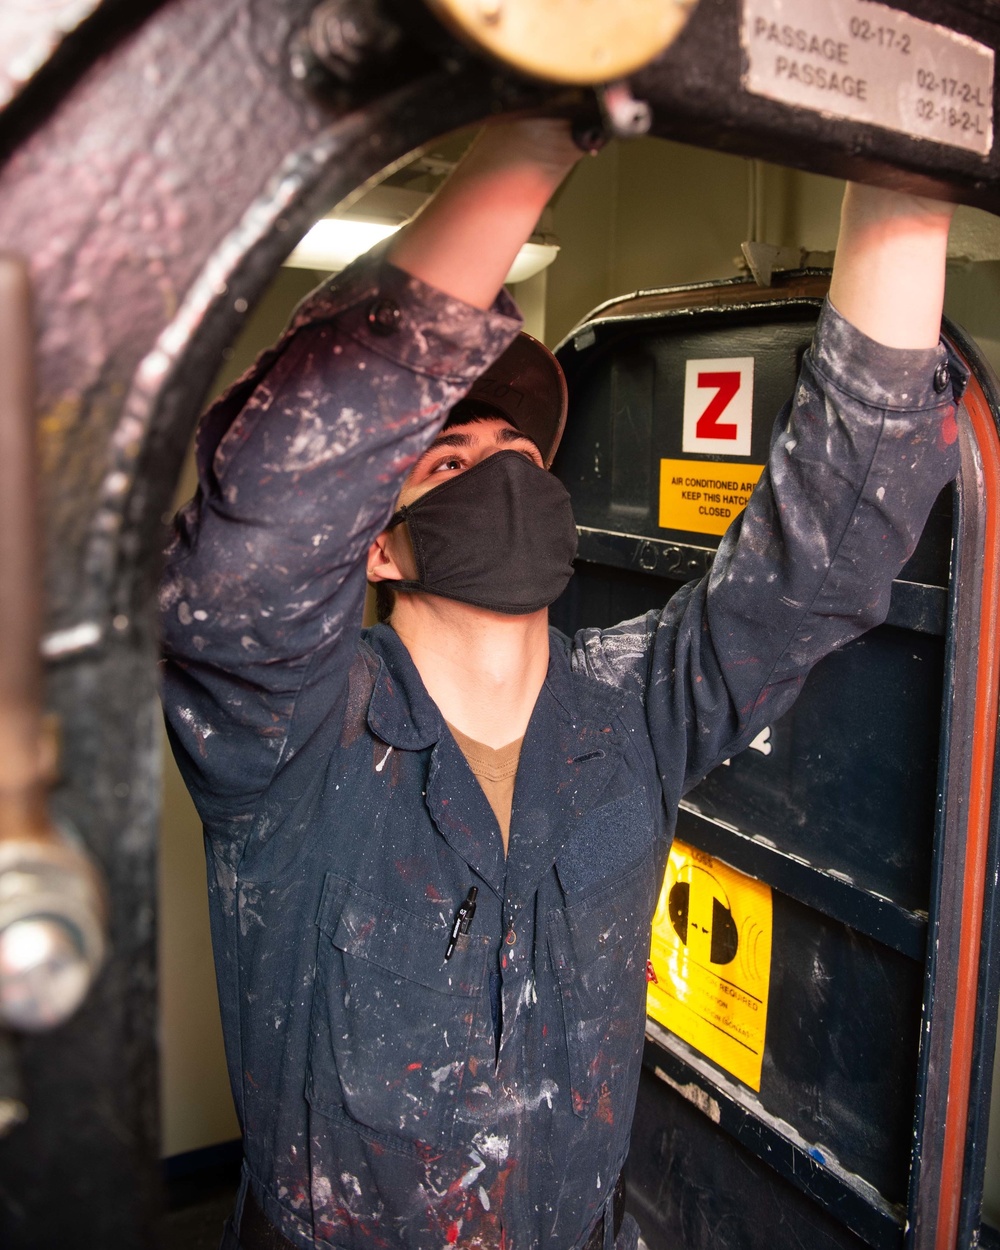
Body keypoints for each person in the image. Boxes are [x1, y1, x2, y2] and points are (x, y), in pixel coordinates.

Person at [160, 117, 962, 1250]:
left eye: (517, 454)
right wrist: (531, 137)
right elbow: (256, 542)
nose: (496, 466)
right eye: (447, 459)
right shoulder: (288, 733)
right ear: (377, 546)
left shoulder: (635, 709)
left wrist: (905, 161)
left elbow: (823, 553)